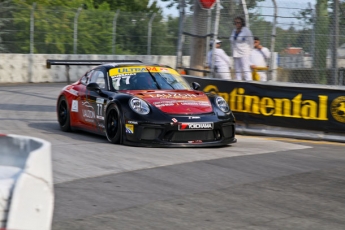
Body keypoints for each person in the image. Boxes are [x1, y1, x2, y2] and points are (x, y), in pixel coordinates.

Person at [229, 16, 254, 81]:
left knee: (245, 68)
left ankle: (249, 82)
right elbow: (232, 40)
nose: (237, 24)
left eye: (239, 22)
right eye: (236, 23)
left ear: (242, 23)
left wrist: (249, 51)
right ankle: (238, 82)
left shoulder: (246, 31)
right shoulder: (234, 31)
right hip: (235, 52)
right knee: (237, 69)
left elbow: (251, 42)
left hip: (244, 52)